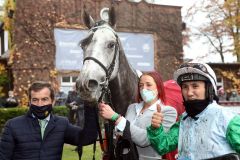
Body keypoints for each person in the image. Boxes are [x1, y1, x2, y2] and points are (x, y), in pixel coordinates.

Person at [147, 62, 240, 159]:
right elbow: (163, 146)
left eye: (195, 86)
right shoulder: (184, 119)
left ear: (209, 89)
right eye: (185, 87)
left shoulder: (228, 119)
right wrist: (156, 128)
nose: (189, 93)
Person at [0, 81, 97, 160]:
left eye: (44, 99)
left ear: (53, 101)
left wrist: (90, 104)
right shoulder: (13, 125)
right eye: (35, 100)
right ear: (29, 102)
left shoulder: (61, 124)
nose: (40, 104)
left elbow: (87, 138)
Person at [99, 71, 177, 160]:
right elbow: (123, 134)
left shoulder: (168, 112)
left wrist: (116, 117)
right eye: (141, 85)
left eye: (148, 85)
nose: (144, 89)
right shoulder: (132, 107)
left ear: (158, 87)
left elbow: (145, 140)